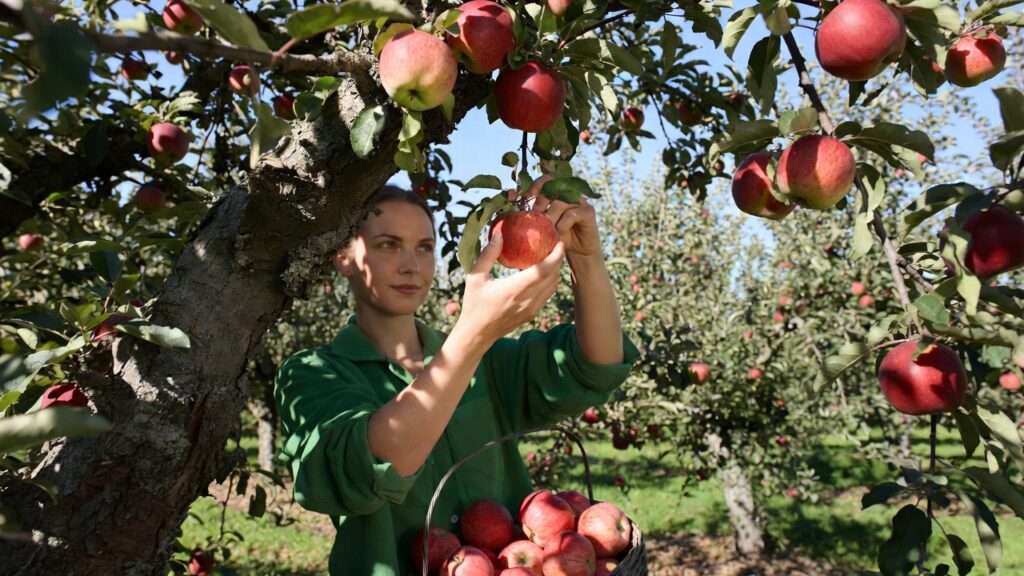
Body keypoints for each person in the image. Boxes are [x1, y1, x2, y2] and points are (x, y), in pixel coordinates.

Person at [274, 184, 639, 575]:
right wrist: (472, 336)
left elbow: (596, 365)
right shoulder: (312, 374)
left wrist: (585, 257)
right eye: (388, 244)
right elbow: (363, 467)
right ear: (344, 256)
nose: (411, 264)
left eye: (424, 247)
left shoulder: (487, 363)